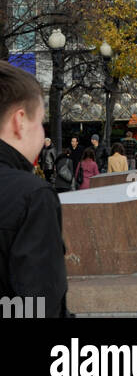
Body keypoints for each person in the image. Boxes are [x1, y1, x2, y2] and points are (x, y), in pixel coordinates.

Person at [0, 61, 70, 317]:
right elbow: (38, 307)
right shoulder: (32, 196)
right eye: (41, 122)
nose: (42, 135)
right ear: (20, 121)